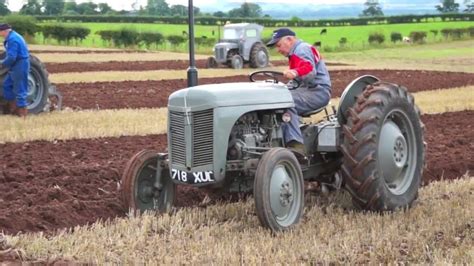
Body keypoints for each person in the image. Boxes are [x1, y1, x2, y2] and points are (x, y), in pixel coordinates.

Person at [266, 28, 331, 153]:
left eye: (279, 45)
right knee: (279, 97)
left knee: (287, 101)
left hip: (317, 91)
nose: (278, 50)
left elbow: (310, 71)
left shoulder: (301, 49)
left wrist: (295, 72)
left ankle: (296, 146)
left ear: (289, 40)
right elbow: (297, 82)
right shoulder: (296, 52)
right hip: (306, 90)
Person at [0, 23, 30, 117]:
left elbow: (12, 57)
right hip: (16, 64)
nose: (0, 35)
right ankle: (13, 107)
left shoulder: (13, 39)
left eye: (0, 33)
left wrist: (1, 63)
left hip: (20, 64)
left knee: (20, 88)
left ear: (4, 31)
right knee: (6, 85)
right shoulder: (12, 36)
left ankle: (22, 114)